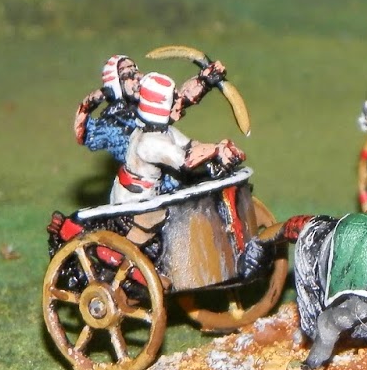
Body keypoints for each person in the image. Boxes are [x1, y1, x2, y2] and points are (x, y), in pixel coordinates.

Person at [111, 73, 248, 260]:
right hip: (134, 202)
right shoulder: (149, 142)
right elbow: (187, 161)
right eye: (174, 100)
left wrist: (218, 149)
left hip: (150, 196)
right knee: (167, 218)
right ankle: (121, 256)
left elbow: (191, 145)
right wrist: (216, 150)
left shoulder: (164, 132)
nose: (180, 102)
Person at [74, 53, 226, 167]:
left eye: (135, 71)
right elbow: (83, 134)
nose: (137, 78)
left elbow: (179, 100)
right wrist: (89, 102)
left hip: (166, 154)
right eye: (128, 75)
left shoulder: (145, 100)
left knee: (205, 152)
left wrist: (204, 81)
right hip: (145, 172)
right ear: (115, 84)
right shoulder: (112, 122)